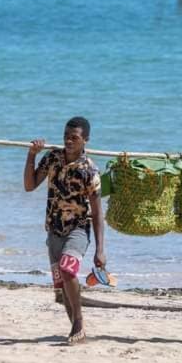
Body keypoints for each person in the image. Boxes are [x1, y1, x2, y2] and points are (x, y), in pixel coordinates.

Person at [24, 116, 105, 345]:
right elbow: (29, 186)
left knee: (68, 270)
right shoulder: (53, 158)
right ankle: (76, 330)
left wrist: (100, 250)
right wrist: (32, 155)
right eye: (66, 137)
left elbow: (98, 213)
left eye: (74, 138)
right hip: (54, 230)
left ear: (85, 140)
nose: (69, 141)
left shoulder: (89, 171)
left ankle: (78, 322)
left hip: (78, 228)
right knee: (63, 288)